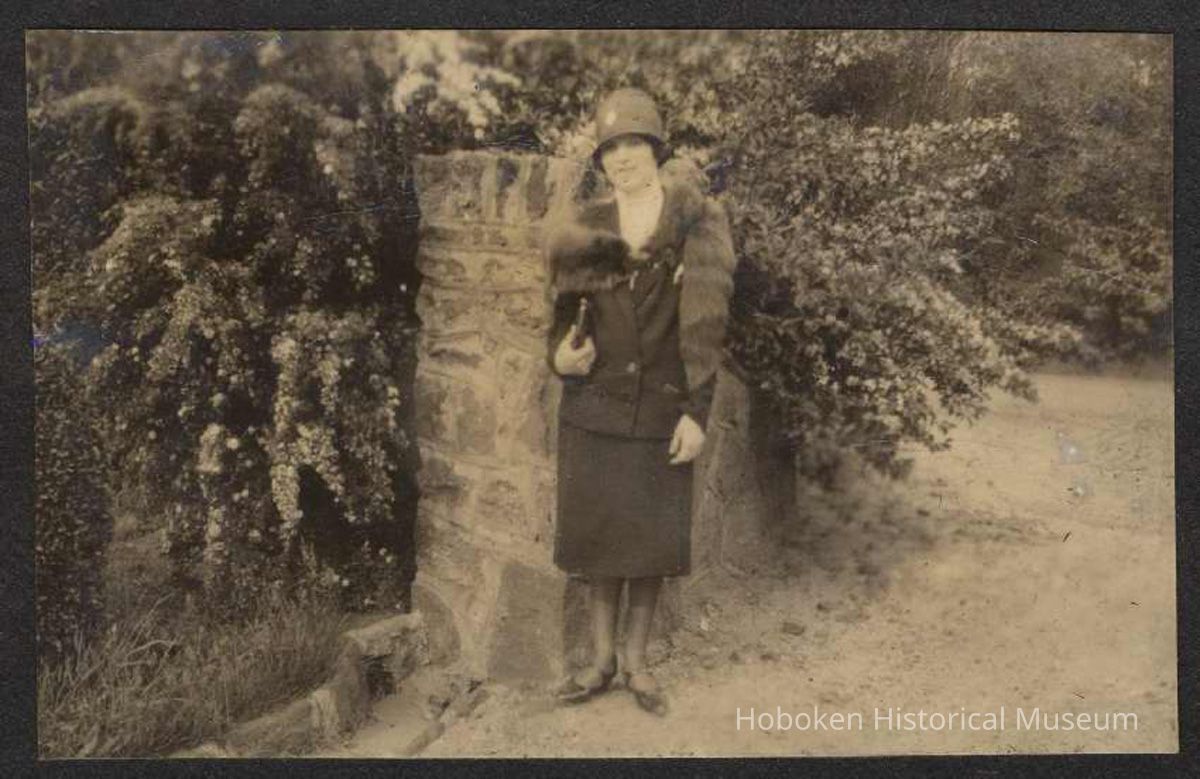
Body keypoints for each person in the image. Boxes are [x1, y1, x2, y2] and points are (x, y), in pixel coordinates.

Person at [544, 88, 736, 716]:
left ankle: (637, 665)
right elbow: (559, 324)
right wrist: (560, 358)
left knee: (649, 543)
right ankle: (600, 662)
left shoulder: (695, 227)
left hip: (660, 410)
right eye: (610, 149)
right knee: (601, 542)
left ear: (655, 149)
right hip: (594, 410)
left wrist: (695, 415)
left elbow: (705, 333)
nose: (622, 158)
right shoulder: (588, 228)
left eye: (633, 144)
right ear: (601, 160)